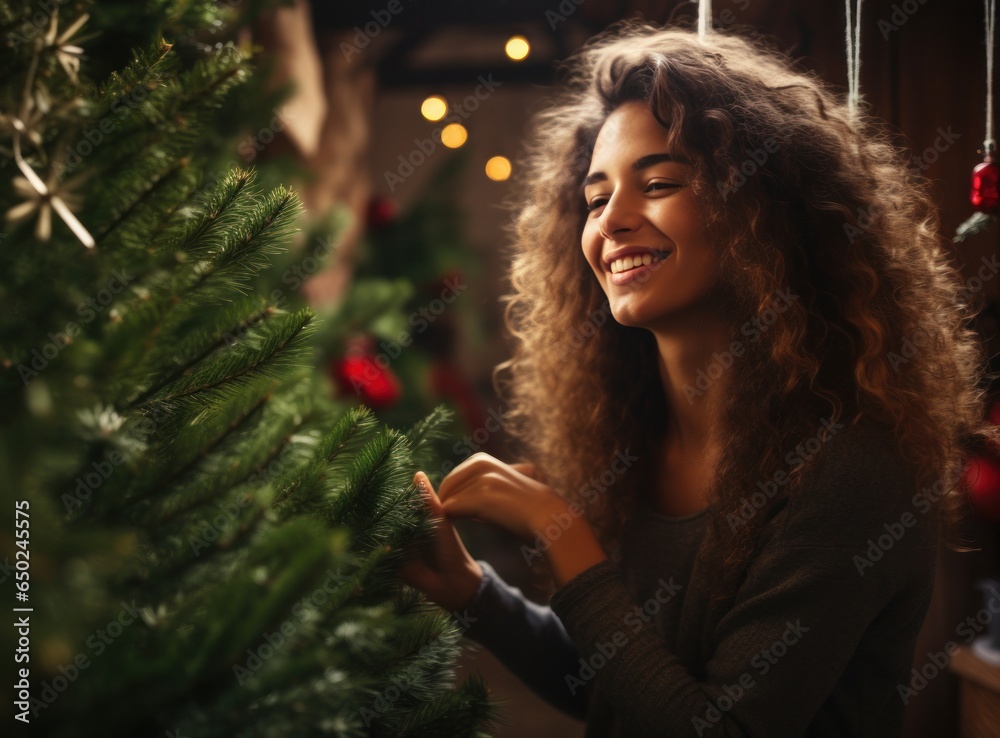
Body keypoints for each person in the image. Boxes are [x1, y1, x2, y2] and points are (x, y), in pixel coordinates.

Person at [398, 20, 998, 737]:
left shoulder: (850, 467)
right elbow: (623, 687)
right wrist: (471, 591)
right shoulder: (630, 438)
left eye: (658, 183)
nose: (612, 220)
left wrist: (563, 533)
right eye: (594, 199)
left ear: (763, 210)